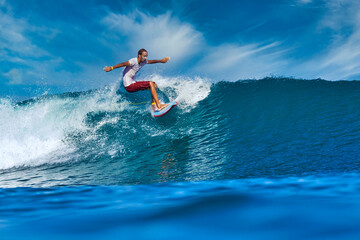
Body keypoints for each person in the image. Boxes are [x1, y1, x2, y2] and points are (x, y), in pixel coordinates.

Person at [104, 49, 170, 111]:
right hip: (129, 85)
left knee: (154, 84)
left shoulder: (143, 61)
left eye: (146, 56)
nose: (145, 58)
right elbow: (123, 64)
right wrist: (111, 68)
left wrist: (161, 61)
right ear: (139, 55)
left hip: (133, 83)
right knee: (150, 83)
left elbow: (151, 61)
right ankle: (159, 105)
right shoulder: (133, 61)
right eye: (144, 56)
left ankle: (153, 105)